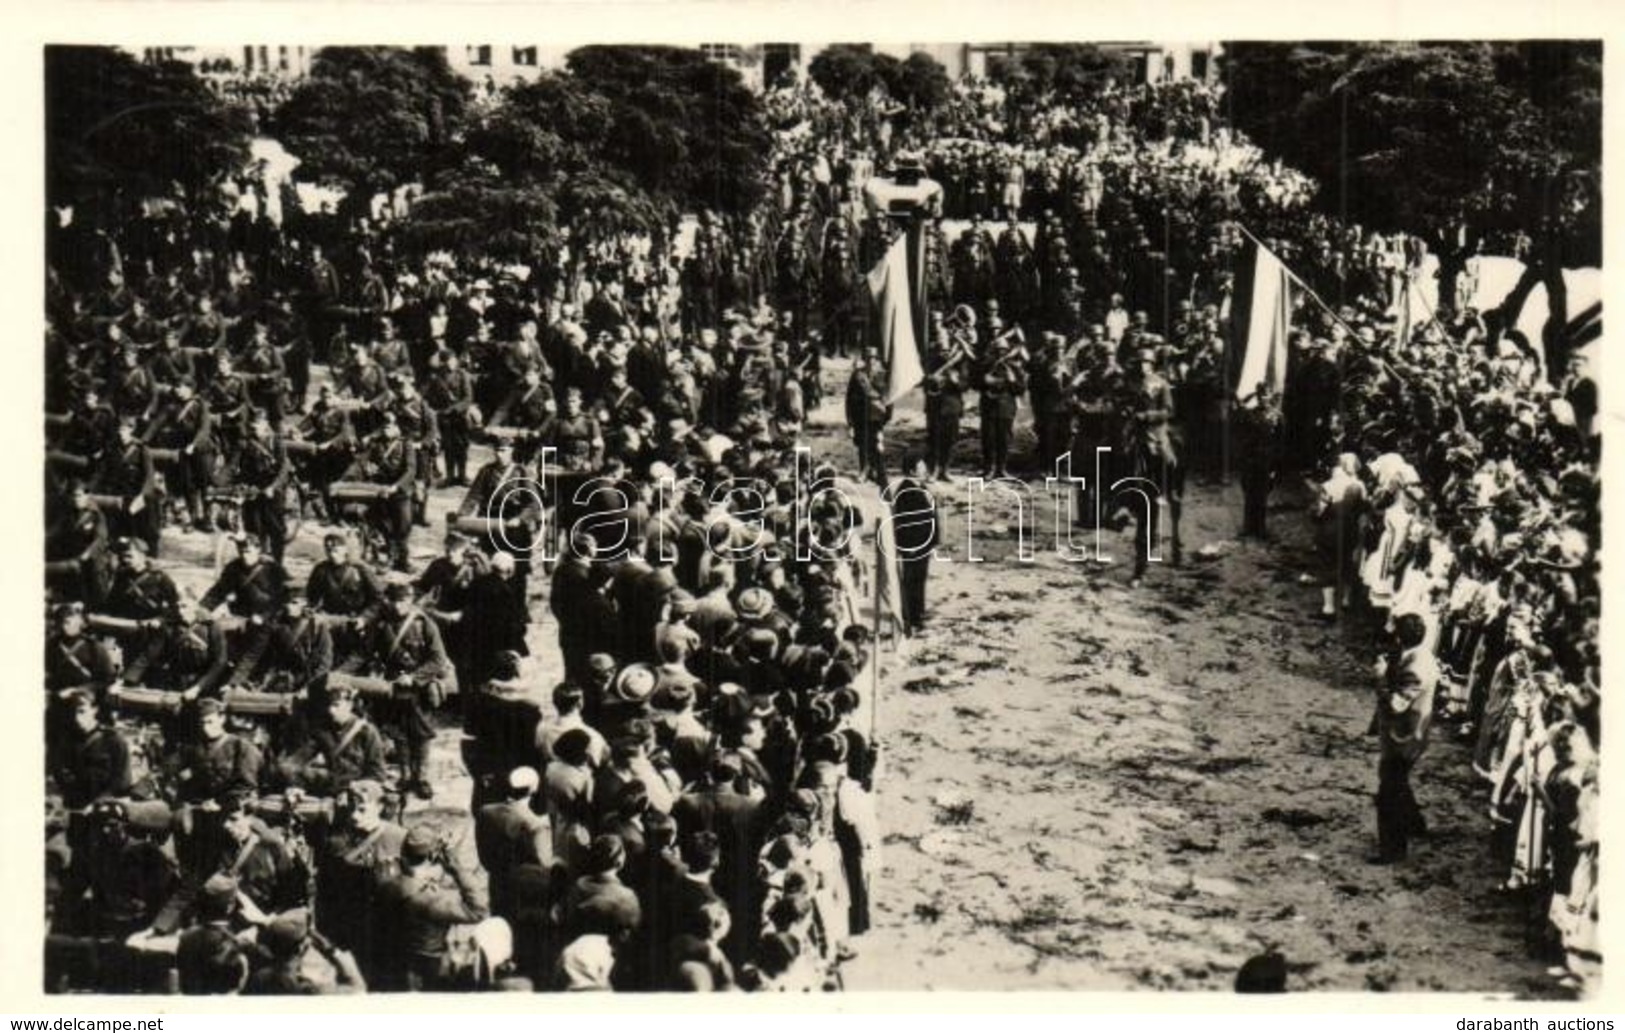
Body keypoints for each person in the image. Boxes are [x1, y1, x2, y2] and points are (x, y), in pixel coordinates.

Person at [372, 825, 489, 991]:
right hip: (428, 964)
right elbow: (479, 911)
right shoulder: (430, 899)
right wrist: (458, 870)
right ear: (434, 856)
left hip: (398, 953)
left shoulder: (387, 878)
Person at [1371, 613, 1438, 864]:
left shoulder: (1415, 669)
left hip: (1404, 737)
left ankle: (1393, 850)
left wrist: (1380, 677)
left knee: (1389, 790)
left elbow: (1395, 706)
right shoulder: (1422, 655)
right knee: (1397, 781)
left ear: (1400, 638)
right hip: (1411, 734)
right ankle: (1415, 824)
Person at [475, 766, 551, 921]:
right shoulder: (536, 825)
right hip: (525, 887)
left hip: (496, 879)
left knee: (500, 917)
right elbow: (544, 862)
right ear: (533, 789)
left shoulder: (486, 811)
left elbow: (483, 848)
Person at [882, 454, 940, 636]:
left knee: (920, 579)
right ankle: (911, 618)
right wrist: (909, 546)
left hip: (924, 543)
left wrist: (933, 540)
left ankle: (919, 612)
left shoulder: (920, 487)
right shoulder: (905, 491)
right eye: (921, 468)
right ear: (912, 471)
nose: (925, 471)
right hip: (913, 545)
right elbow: (903, 522)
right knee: (911, 581)